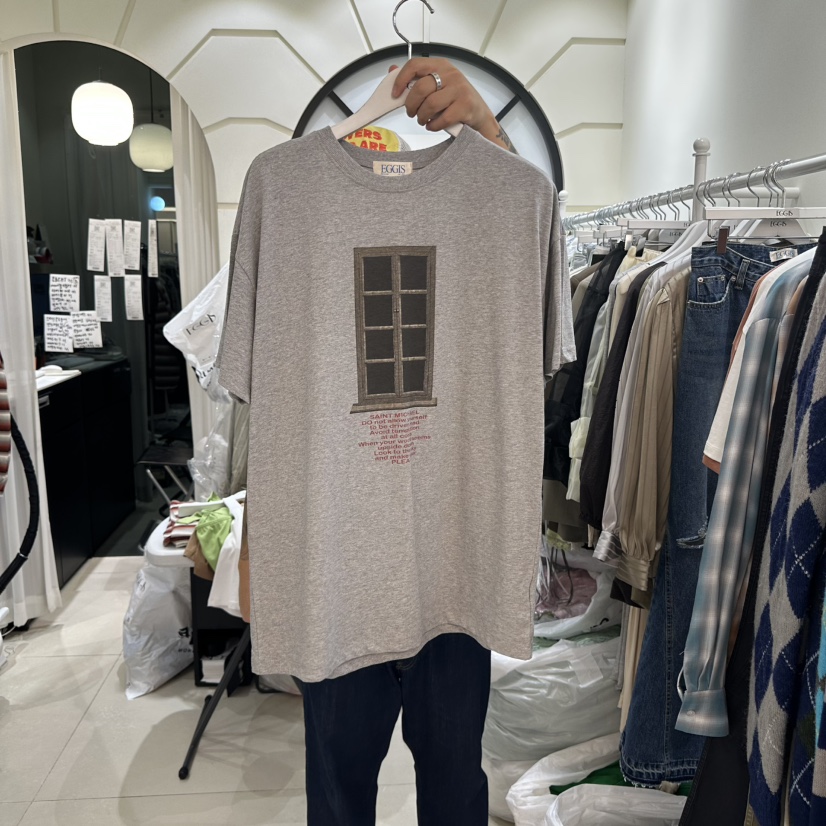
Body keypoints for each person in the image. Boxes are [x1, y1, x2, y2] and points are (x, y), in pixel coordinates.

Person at [296, 58, 524, 826]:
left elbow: (527, 263)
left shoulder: (502, 205)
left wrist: (489, 133)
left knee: (453, 791)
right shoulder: (285, 196)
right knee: (340, 797)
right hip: (337, 576)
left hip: (454, 570)